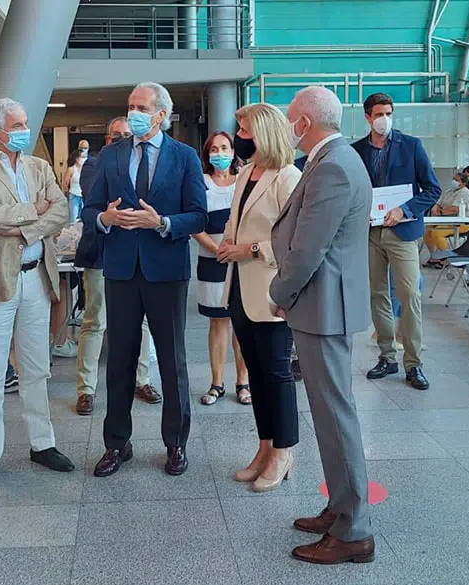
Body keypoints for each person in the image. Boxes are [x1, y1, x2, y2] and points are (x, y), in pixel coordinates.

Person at [270, 86, 375, 565]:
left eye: (292, 118)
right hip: (322, 304)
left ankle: (354, 530)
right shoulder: (332, 158)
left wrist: (279, 292)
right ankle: (340, 506)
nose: (288, 127)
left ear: (305, 122)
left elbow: (309, 248)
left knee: (335, 416)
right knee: (332, 413)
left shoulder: (332, 164)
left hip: (322, 305)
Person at [84, 81, 208, 477]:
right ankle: (116, 444)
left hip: (166, 270)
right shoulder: (111, 155)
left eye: (141, 107)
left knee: (172, 362)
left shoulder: (185, 156)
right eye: (130, 106)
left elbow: (199, 215)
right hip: (121, 269)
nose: (133, 113)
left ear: (160, 115)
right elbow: (89, 209)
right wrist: (105, 218)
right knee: (119, 360)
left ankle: (176, 444)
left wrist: (163, 222)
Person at [0, 98, 74, 488]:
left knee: (36, 367)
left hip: (36, 277)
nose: (24, 130)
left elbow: (60, 210)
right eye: (18, 124)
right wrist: (35, 210)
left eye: (25, 123)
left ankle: (41, 443)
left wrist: (26, 229)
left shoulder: (38, 166)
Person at [218, 103, 302, 492]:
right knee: (256, 373)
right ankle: (264, 447)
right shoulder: (247, 173)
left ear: (265, 133)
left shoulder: (288, 177)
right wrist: (228, 240)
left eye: (246, 130)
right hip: (239, 287)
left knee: (276, 374)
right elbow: (238, 221)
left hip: (270, 288)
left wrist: (249, 250)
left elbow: (294, 239)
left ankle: (284, 451)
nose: (240, 138)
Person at [73, 117, 162, 416]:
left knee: (145, 321)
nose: (122, 139)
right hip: (102, 254)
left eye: (127, 135)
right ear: (107, 139)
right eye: (116, 135)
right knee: (95, 320)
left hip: (140, 254)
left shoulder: (146, 161)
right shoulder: (93, 165)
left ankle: (143, 379)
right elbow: (97, 204)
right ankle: (86, 389)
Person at [355, 93, 440, 391]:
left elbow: (432, 189)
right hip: (370, 232)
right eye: (379, 114)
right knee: (378, 294)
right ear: (367, 117)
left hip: (403, 231)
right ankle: (387, 356)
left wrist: (404, 209)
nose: (384, 119)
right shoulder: (357, 151)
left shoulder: (411, 146)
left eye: (388, 113)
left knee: (409, 294)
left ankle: (413, 363)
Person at [193, 131, 250, 406]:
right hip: (212, 260)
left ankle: (243, 381)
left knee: (241, 322)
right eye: (214, 148)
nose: (220, 153)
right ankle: (217, 383)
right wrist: (218, 251)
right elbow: (195, 224)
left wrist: (236, 250)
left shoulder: (244, 180)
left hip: (241, 260)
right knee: (218, 322)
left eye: (225, 147)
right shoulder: (200, 183)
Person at [424, 172, 469, 263]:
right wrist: (435, 208)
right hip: (446, 221)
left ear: (463, 183)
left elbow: (454, 209)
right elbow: (438, 203)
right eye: (453, 179)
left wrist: (440, 212)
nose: (454, 182)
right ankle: (435, 256)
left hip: (462, 224)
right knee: (427, 232)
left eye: (457, 180)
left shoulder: (465, 193)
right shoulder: (449, 191)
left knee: (436, 234)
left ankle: (446, 258)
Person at [60, 149, 85, 224]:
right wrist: (65, 194)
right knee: (73, 220)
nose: (84, 159)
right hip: (74, 195)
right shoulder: (71, 169)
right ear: (77, 159)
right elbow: (65, 184)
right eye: (83, 157)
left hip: (83, 196)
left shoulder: (85, 169)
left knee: (83, 220)